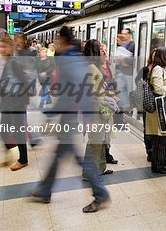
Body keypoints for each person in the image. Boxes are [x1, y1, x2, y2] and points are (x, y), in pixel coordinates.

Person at [32, 27, 110, 213]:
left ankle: (100, 194)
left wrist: (50, 114)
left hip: (70, 118)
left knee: (78, 160)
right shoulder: (74, 58)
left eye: (58, 39)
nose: (56, 42)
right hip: (71, 117)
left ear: (63, 40)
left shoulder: (69, 61)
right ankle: (45, 190)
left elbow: (74, 94)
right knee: (60, 156)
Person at [0, 37, 31, 171]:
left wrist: (24, 101)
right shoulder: (2, 63)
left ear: (10, 47)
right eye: (0, 47)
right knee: (3, 131)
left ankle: (23, 160)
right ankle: (7, 157)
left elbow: (25, 82)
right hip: (7, 102)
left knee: (18, 132)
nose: (2, 49)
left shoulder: (14, 63)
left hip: (17, 102)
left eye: (4, 47)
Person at [82, 39, 113, 178]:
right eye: (100, 49)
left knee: (99, 140)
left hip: (97, 108)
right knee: (94, 141)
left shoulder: (92, 66)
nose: (103, 52)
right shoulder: (91, 67)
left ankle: (100, 167)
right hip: (94, 109)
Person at [146, 47, 166, 174]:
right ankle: (157, 166)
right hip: (158, 109)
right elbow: (158, 89)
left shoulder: (161, 69)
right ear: (163, 56)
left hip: (161, 107)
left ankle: (162, 161)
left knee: (162, 138)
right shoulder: (157, 69)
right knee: (159, 138)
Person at [135, 49, 157, 162]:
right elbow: (137, 81)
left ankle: (157, 151)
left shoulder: (162, 69)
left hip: (157, 104)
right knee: (148, 128)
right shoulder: (145, 69)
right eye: (154, 55)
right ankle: (149, 150)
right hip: (148, 103)